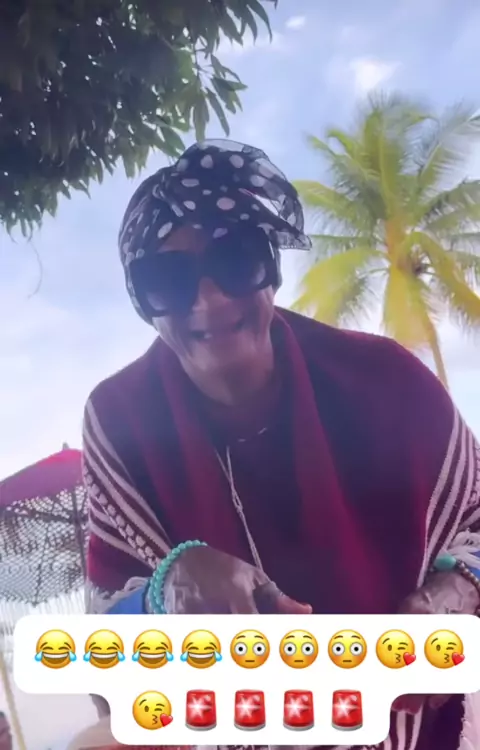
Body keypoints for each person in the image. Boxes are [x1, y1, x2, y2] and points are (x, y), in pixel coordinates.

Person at [82, 139, 480, 750]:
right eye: (168, 280)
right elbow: (107, 652)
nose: (209, 301)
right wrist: (168, 588)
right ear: (144, 303)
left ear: (270, 266)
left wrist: (453, 592)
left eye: (235, 259)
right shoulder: (120, 422)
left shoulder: (386, 382)